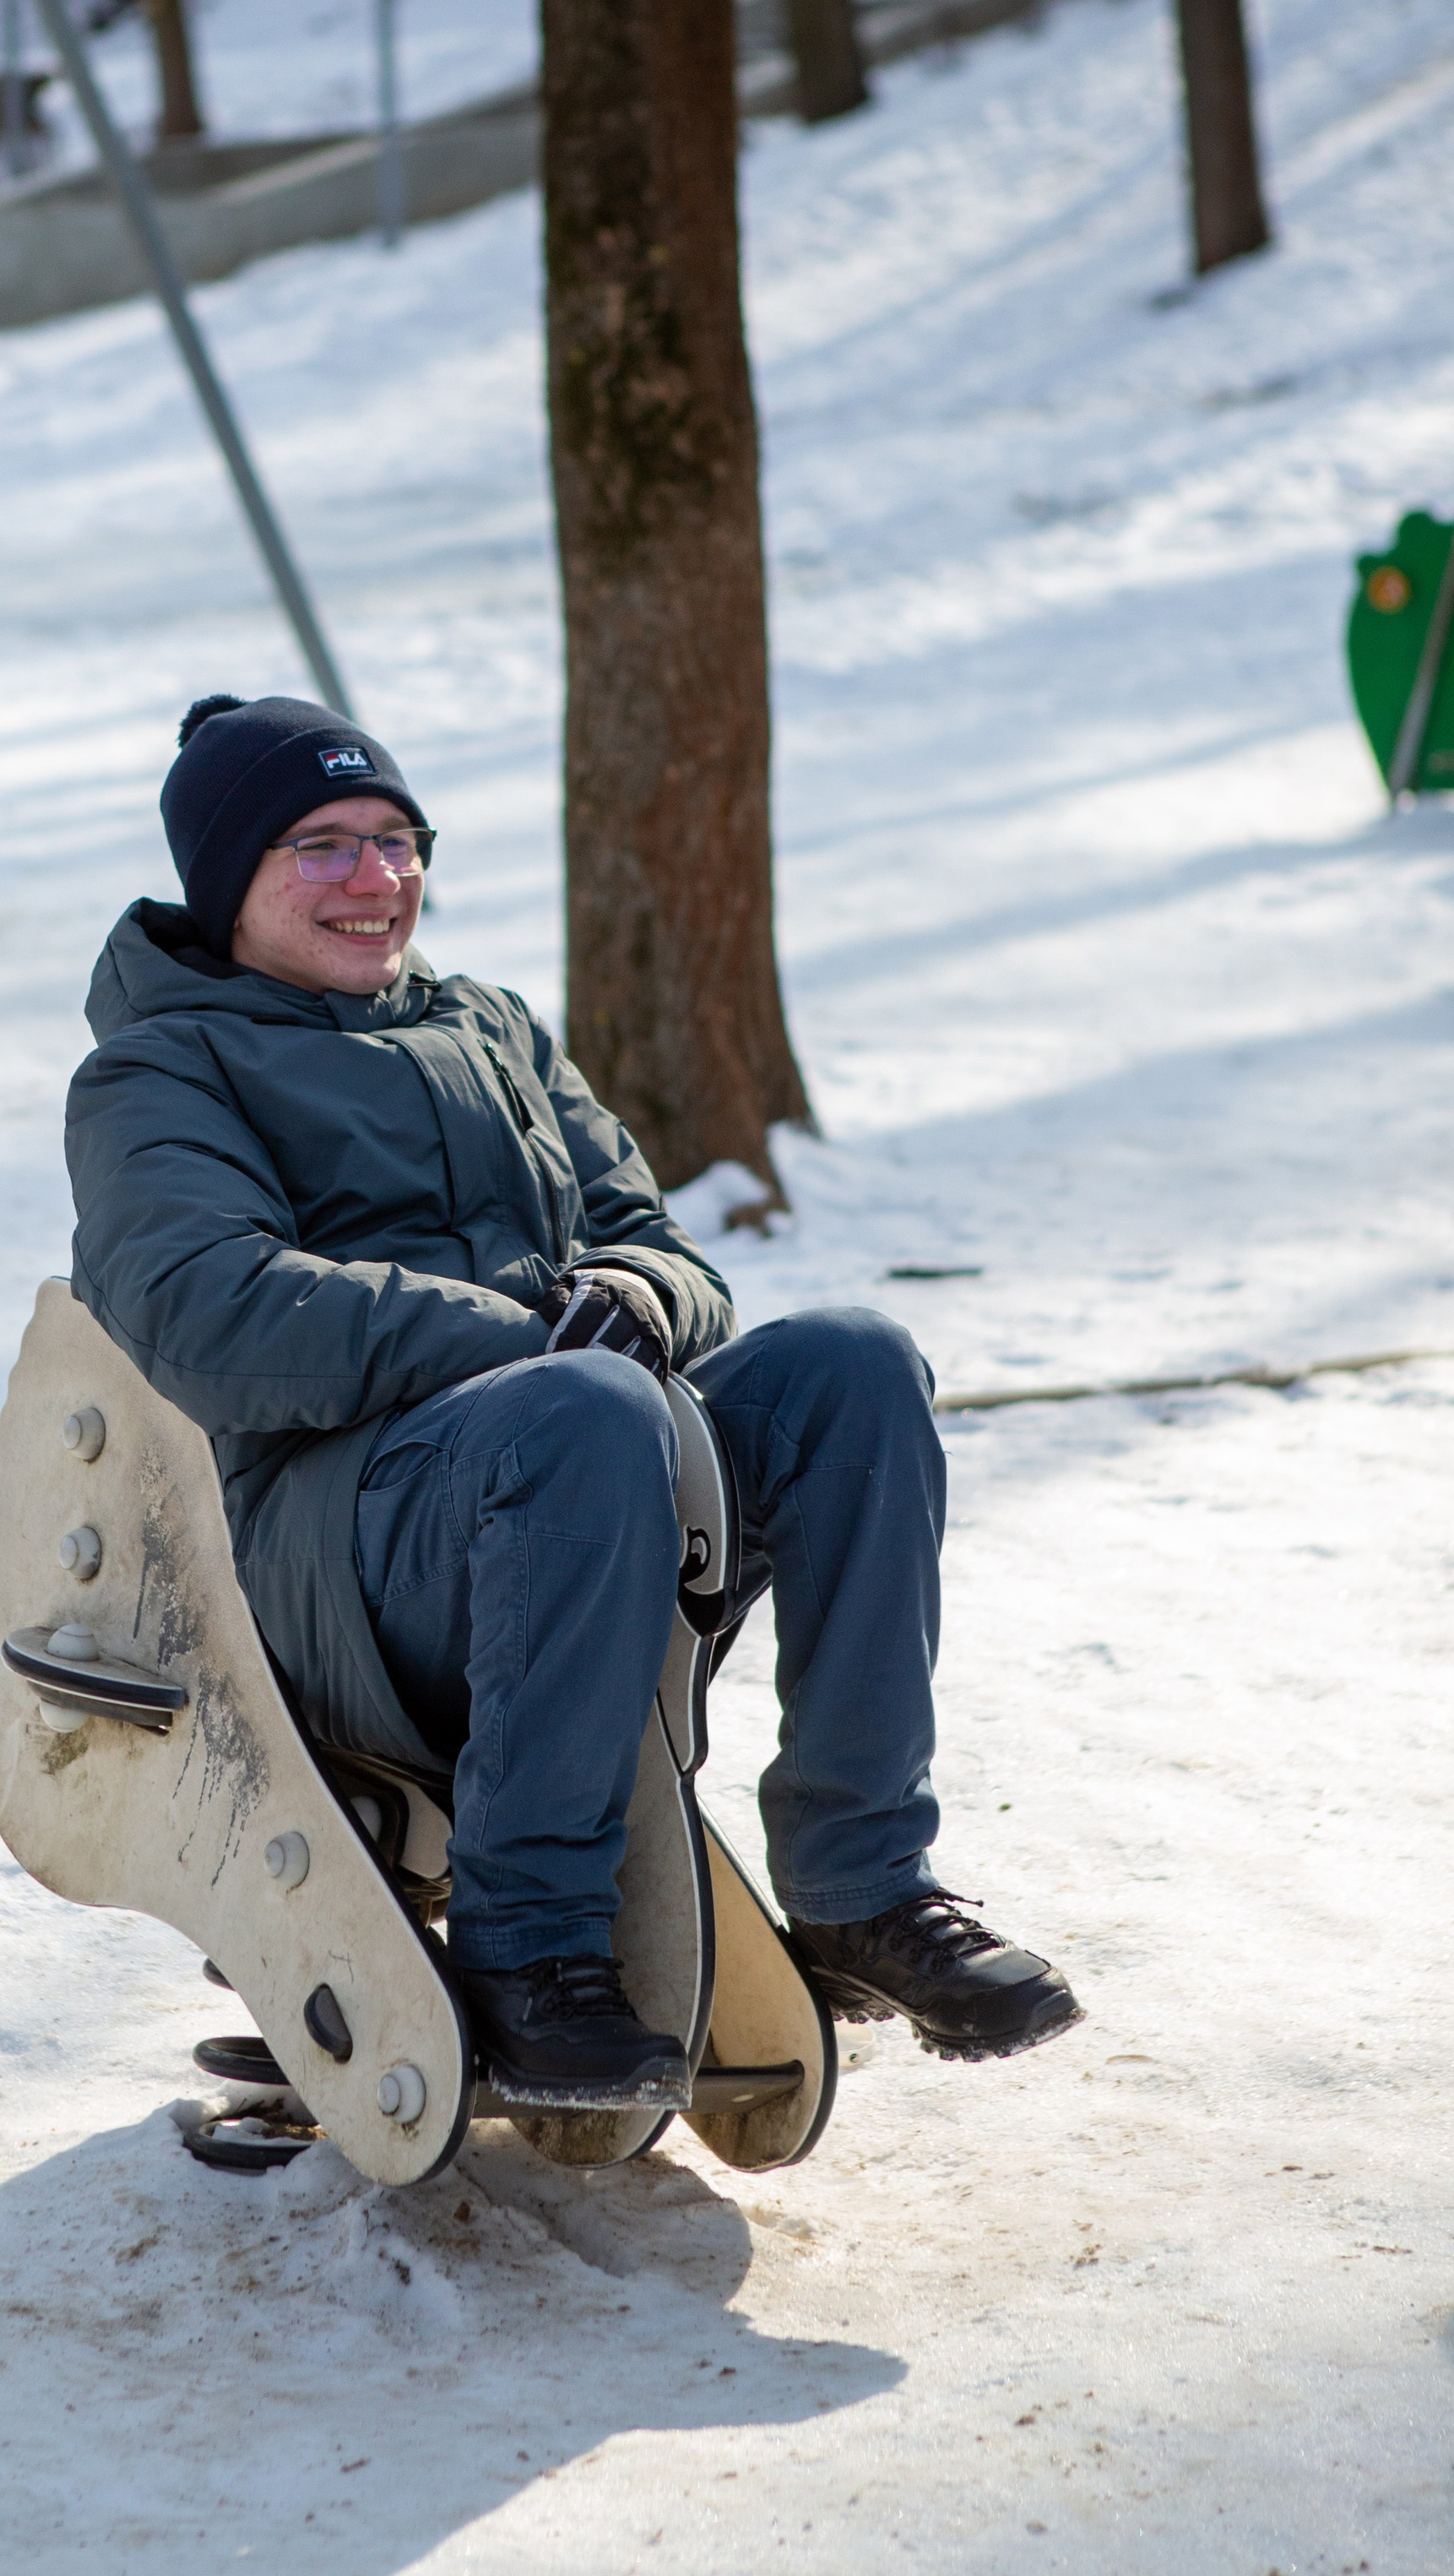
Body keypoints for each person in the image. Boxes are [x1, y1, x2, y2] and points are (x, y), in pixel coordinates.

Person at [66, 693, 1081, 2111]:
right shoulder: (162, 1069)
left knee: (853, 1365)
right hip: (346, 1557)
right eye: (320, 847)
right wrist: (528, 1341)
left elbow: (654, 1240)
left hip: (581, 1481)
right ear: (226, 880)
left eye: (396, 840)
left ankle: (861, 1889)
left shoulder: (493, 1029)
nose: (375, 880)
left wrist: (651, 1299)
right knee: (588, 1408)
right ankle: (527, 1948)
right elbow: (207, 1308)